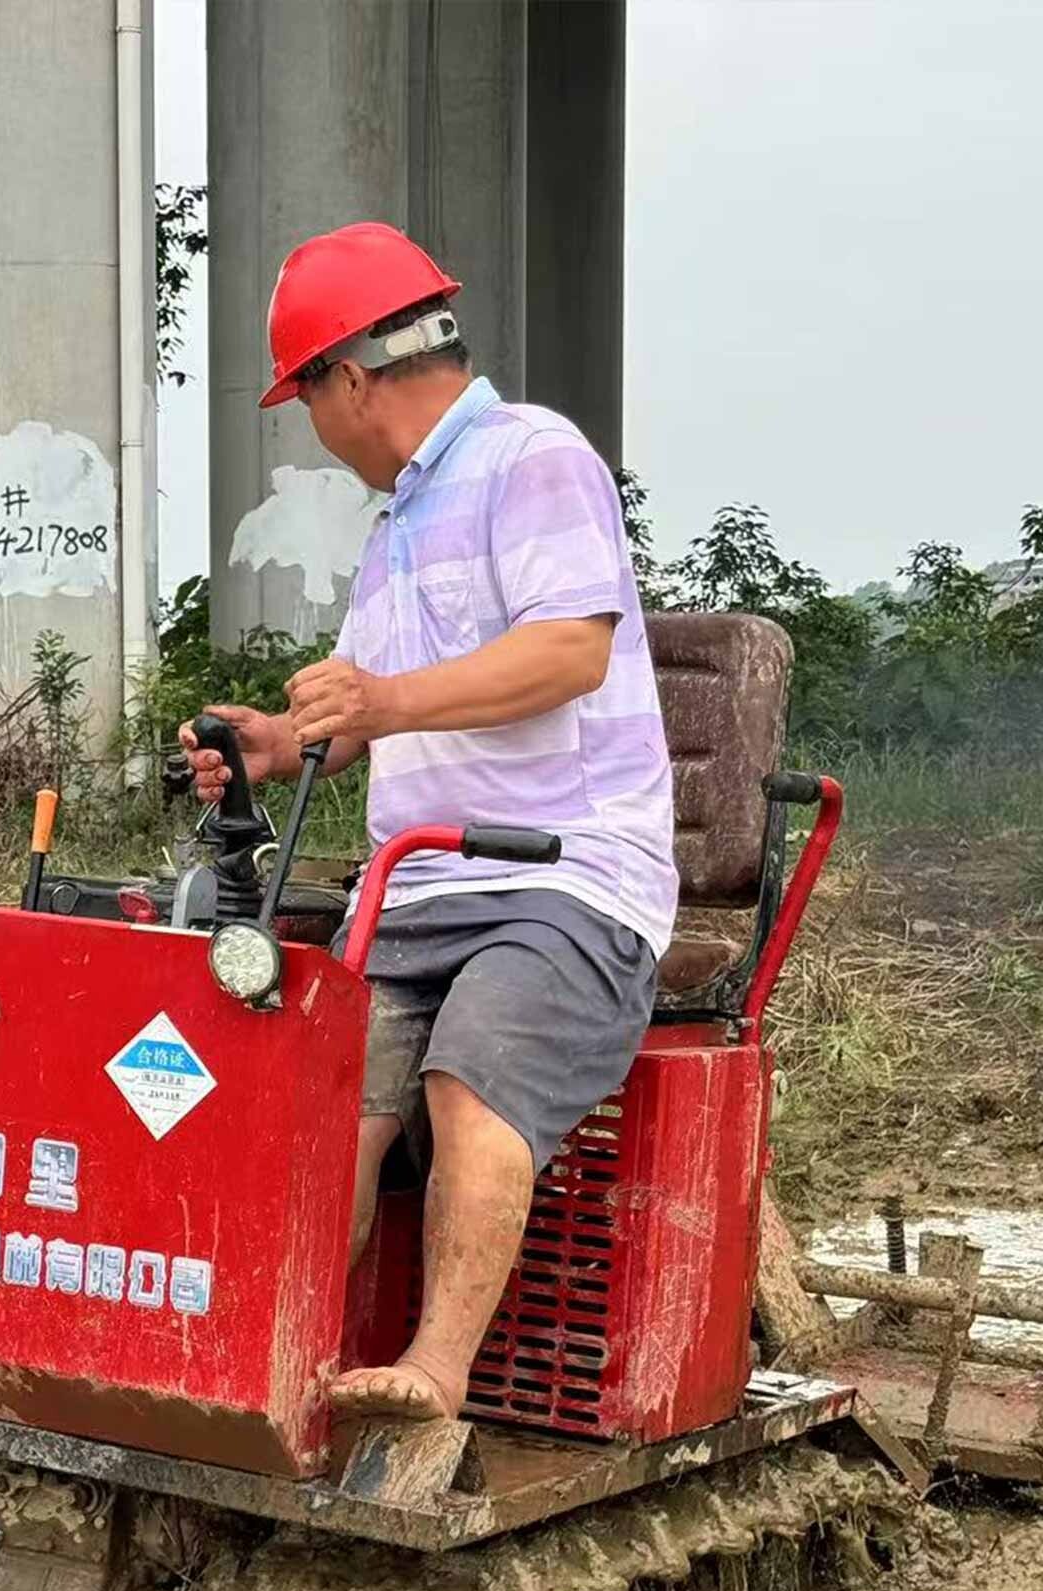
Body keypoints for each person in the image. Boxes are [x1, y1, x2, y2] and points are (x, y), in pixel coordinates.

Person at [183, 221, 678, 1424]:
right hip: (413, 886)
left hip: (560, 879)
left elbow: (566, 652)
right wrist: (279, 741)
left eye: (304, 398)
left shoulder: (530, 457)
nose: (312, 424)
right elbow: (373, 707)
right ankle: (270, 1369)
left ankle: (433, 1371)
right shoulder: (398, 522)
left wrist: (385, 701)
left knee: (467, 1083)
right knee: (326, 1116)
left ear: (349, 380)